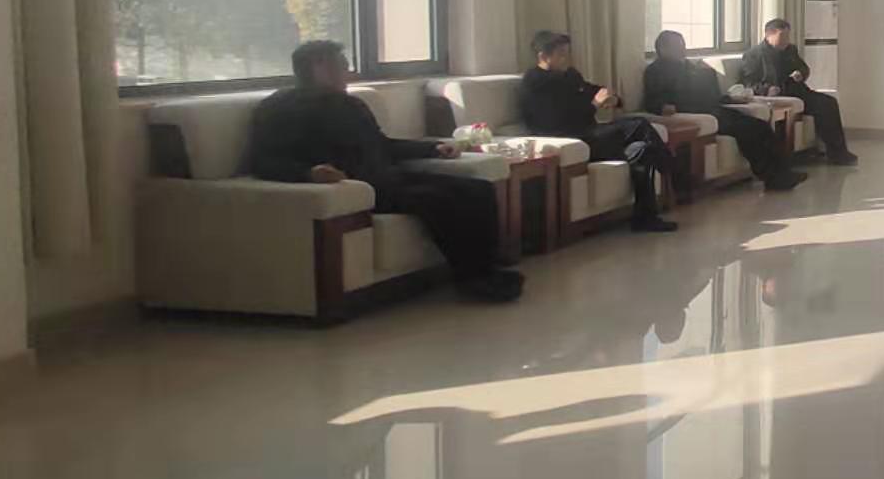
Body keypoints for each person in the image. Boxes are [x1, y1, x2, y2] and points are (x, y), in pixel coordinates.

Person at [249, 41, 524, 302]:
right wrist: (309, 173)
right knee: (438, 200)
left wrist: (433, 148)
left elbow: (382, 144)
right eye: (342, 66)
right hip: (359, 189)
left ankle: (488, 267)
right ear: (320, 67)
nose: (348, 73)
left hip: (388, 177)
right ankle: (472, 279)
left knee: (479, 189)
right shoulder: (280, 108)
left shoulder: (350, 104)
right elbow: (265, 160)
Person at [518, 30, 679, 233]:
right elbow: (555, 121)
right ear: (543, 56)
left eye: (566, 53)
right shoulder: (535, 83)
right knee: (639, 124)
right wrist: (594, 104)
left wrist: (613, 98)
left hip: (591, 133)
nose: (566, 58)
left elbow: (592, 89)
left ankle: (645, 218)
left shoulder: (569, 75)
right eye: (560, 54)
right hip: (571, 138)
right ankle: (672, 169)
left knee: (642, 149)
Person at [641, 30, 803, 192]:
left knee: (761, 126)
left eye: (683, 45)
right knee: (747, 130)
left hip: (713, 107)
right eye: (678, 46)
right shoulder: (655, 71)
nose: (683, 49)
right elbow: (652, 100)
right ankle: (772, 177)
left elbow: (710, 93)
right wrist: (663, 107)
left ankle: (783, 172)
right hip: (694, 112)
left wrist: (731, 99)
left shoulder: (689, 66)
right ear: (663, 49)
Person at [738, 18, 855, 165]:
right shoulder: (753, 55)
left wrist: (801, 73)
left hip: (797, 90)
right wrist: (767, 89)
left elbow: (804, 68)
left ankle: (837, 152)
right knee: (787, 111)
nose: (786, 41)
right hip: (777, 94)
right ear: (769, 35)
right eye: (782, 37)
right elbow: (748, 83)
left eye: (788, 36)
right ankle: (784, 159)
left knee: (828, 103)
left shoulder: (790, 50)